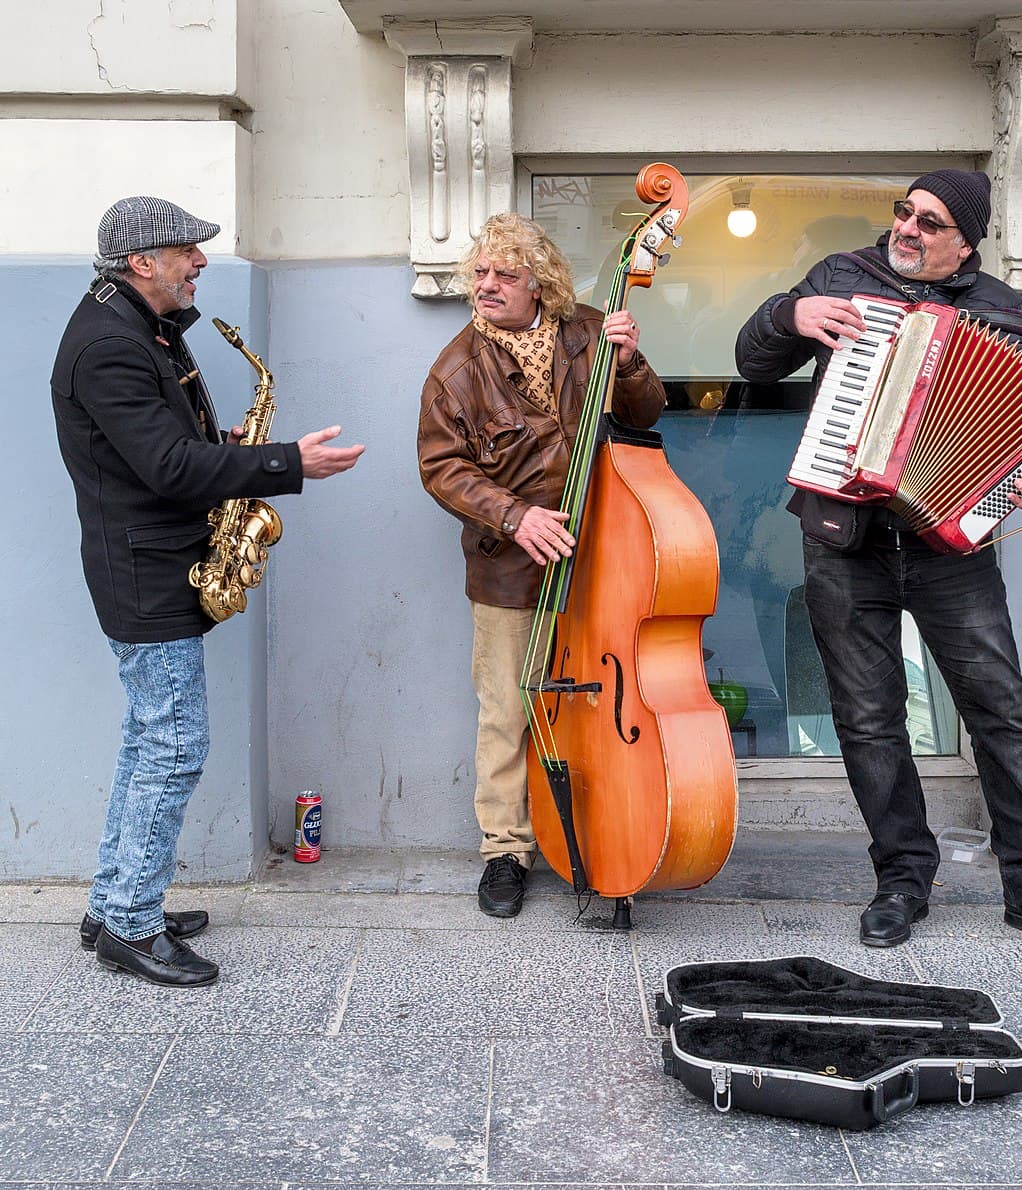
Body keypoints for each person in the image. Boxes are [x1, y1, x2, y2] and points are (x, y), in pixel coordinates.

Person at [735, 169, 1022, 950]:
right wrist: (787, 314)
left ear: (964, 242)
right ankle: (902, 879)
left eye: (929, 222)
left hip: (949, 550)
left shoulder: (1001, 310)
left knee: (1000, 713)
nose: (906, 227)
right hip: (846, 538)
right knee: (869, 720)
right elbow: (754, 362)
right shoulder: (843, 276)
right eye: (904, 212)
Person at [51, 196, 365, 987]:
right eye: (188, 250)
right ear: (141, 261)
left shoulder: (136, 328)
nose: (199, 263)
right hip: (144, 570)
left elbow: (158, 447)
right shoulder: (109, 347)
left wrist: (224, 445)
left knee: (146, 738)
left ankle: (114, 901)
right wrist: (285, 464)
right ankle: (129, 924)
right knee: (175, 742)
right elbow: (166, 470)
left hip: (154, 559)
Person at [417, 213, 666, 918]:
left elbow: (647, 415)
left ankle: (609, 825)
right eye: (481, 273)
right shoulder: (456, 369)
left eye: (506, 274)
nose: (487, 285)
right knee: (508, 710)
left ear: (541, 283)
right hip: (509, 566)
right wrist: (513, 515)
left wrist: (633, 361)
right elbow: (440, 469)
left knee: (607, 698)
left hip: (607, 553)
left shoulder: (589, 328)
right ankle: (506, 849)